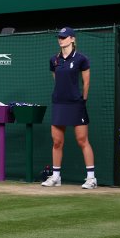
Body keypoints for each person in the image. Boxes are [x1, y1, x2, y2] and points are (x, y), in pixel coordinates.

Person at [42, 27, 97, 189]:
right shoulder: (54, 60)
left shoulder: (81, 59)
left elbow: (86, 82)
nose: (61, 40)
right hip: (59, 103)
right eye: (59, 37)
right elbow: (57, 80)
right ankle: (56, 177)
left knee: (82, 140)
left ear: (72, 39)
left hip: (76, 104)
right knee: (57, 141)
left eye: (64, 37)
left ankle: (91, 179)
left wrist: (82, 100)